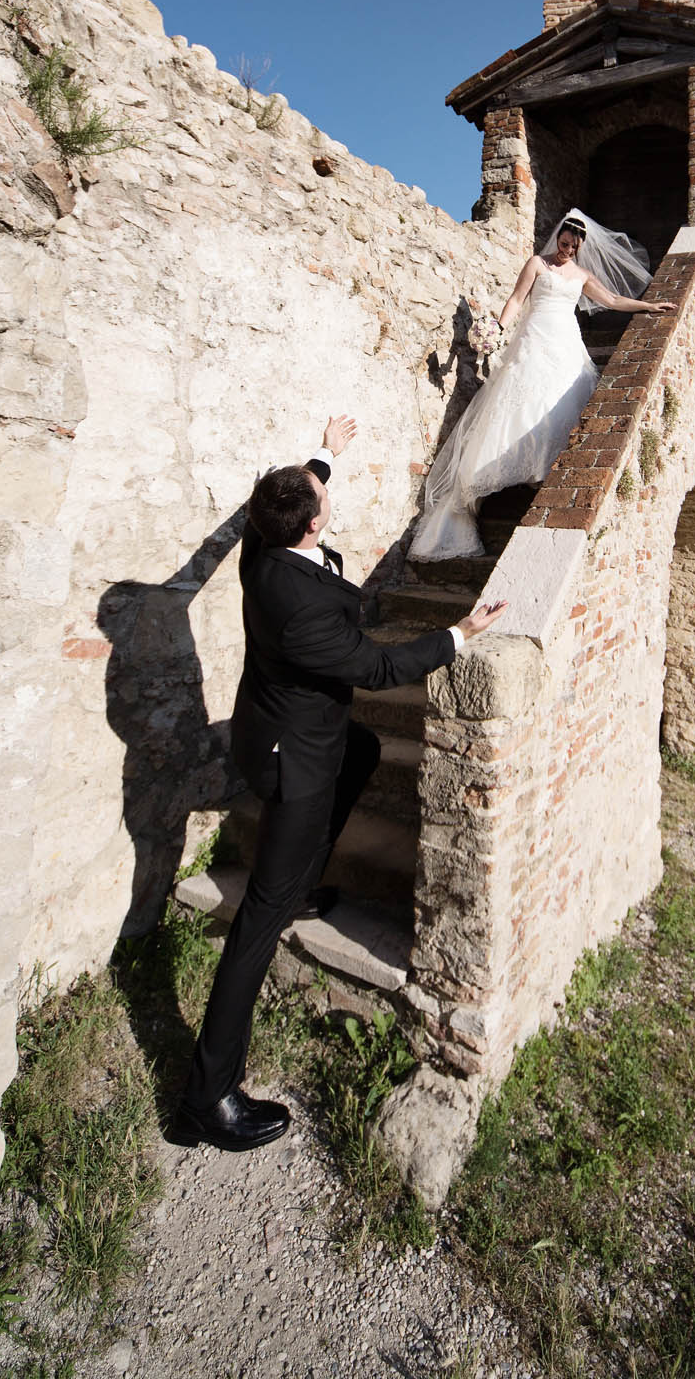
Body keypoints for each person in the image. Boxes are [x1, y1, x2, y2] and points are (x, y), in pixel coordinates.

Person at [173, 412, 506, 1152]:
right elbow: (381, 668)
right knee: (257, 925)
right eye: (318, 497)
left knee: (359, 747)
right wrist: (460, 635)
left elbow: (299, 488)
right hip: (294, 761)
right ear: (312, 526)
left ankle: (294, 885)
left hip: (286, 729)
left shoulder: (264, 541)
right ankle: (208, 1096)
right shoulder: (304, 613)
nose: (324, 497)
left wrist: (326, 450)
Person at [409, 208, 676, 563]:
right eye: (563, 244)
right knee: (518, 401)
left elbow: (611, 300)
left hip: (564, 343)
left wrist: (648, 306)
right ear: (558, 238)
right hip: (533, 338)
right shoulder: (536, 263)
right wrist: (497, 329)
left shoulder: (581, 274)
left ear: (580, 247)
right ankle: (499, 476)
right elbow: (517, 299)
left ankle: (542, 473)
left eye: (572, 247)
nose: (566, 250)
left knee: (559, 405)